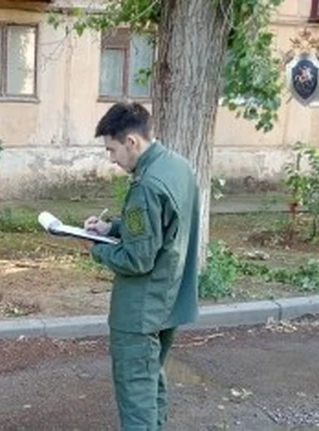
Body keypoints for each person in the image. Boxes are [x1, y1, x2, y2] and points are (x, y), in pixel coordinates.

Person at [82, 102, 201, 430]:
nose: (112, 159)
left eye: (112, 149)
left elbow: (137, 259)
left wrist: (96, 250)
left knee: (135, 394)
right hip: (169, 299)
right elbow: (162, 227)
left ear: (132, 141)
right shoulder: (177, 166)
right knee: (151, 382)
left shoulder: (146, 186)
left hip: (140, 310)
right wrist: (112, 228)